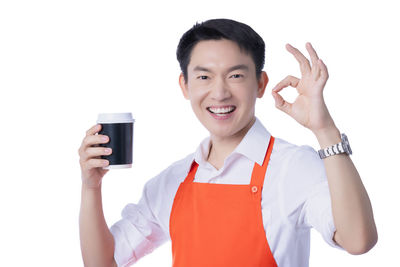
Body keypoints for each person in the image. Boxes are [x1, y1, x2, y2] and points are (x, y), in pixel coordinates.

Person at [78, 18, 378, 267]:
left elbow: (358, 240)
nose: (220, 93)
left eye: (235, 75)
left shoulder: (294, 166)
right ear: (185, 85)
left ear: (260, 84)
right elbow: (102, 263)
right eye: (204, 77)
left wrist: (325, 130)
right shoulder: (173, 180)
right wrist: (91, 187)